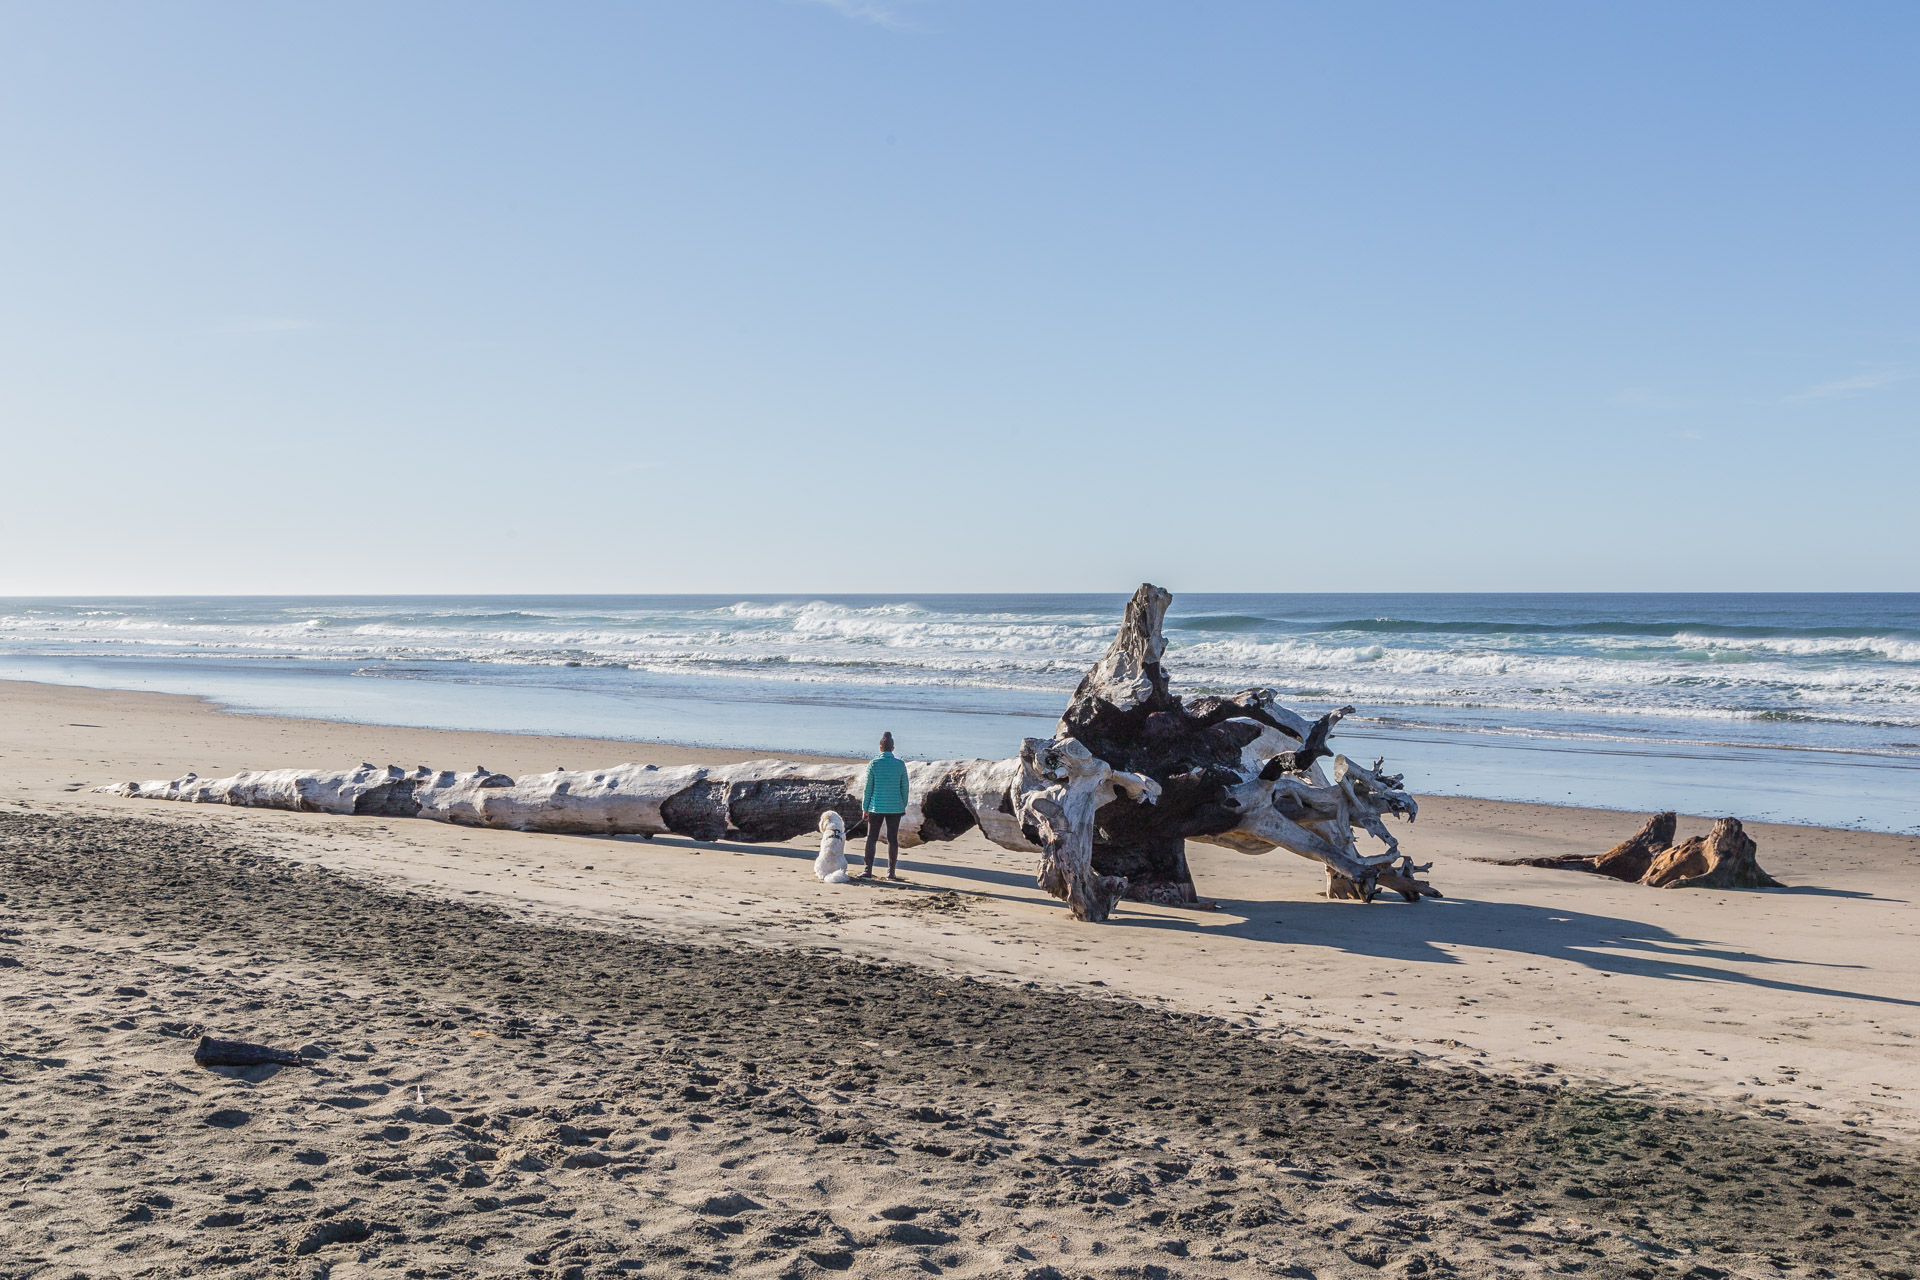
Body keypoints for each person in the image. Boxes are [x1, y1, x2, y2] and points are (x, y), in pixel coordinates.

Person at [860, 731, 909, 880]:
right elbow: (905, 788)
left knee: (871, 837)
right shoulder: (900, 765)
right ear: (892, 748)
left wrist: (865, 807)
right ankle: (891, 873)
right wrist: (902, 805)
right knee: (892, 839)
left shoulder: (874, 764)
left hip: (876, 806)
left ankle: (868, 870)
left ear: (880, 748)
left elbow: (868, 788)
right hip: (895, 807)